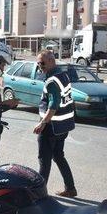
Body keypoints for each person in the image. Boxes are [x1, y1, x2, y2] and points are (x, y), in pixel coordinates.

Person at [33, 50, 77, 198]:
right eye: (38, 63)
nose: (40, 66)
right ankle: (70, 188)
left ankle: (39, 194)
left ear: (52, 61)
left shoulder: (52, 81)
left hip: (51, 127)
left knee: (44, 160)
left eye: (43, 63)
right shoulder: (63, 75)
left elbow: (54, 104)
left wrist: (43, 123)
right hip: (63, 126)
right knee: (58, 156)